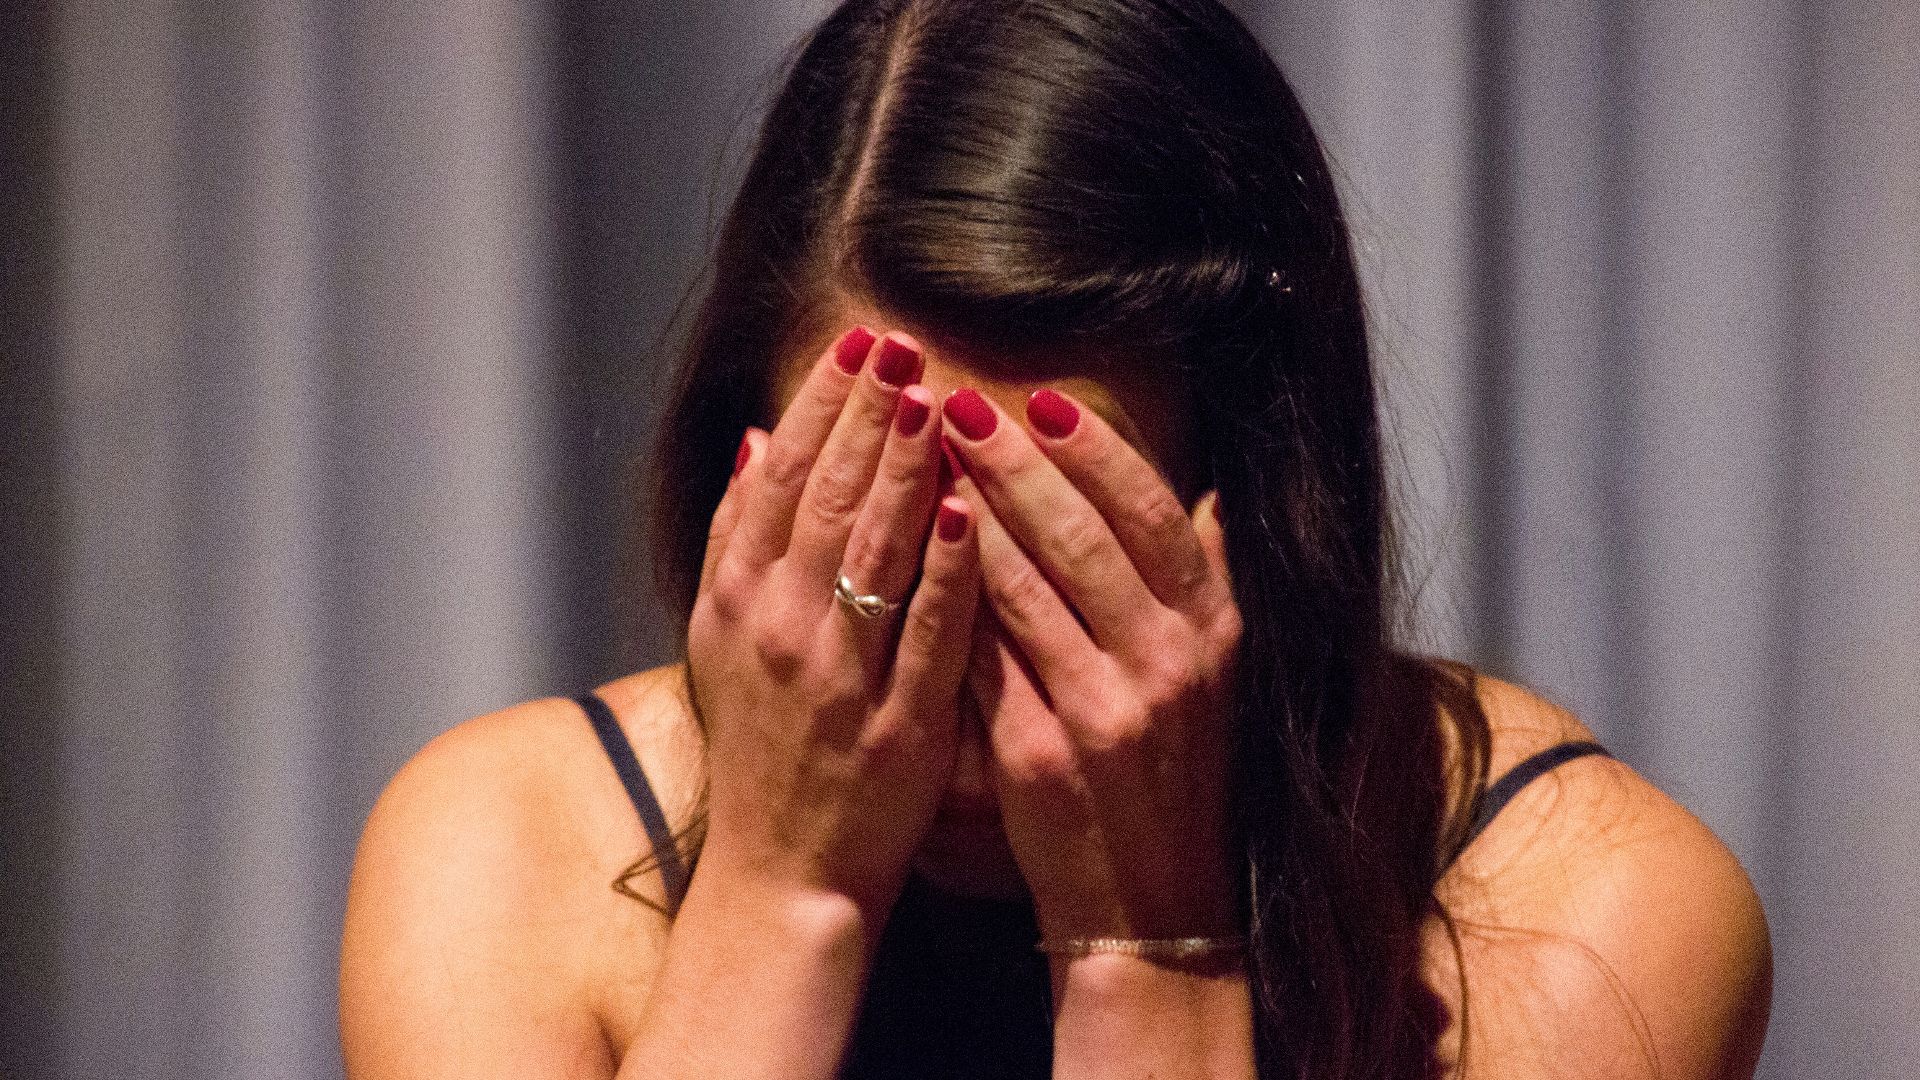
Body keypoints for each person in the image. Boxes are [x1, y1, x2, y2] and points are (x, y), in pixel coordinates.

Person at [337, 1, 1772, 1077]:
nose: (964, 716)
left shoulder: (1584, 909)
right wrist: (781, 903)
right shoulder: (503, 857)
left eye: (1056, 569)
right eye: (886, 558)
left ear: (1261, 515)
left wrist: (1149, 951)